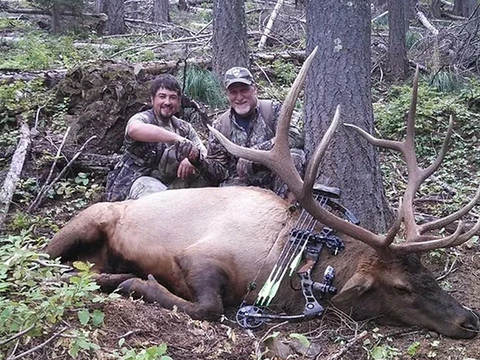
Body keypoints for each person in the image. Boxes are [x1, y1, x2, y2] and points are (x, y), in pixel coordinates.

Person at [186, 66, 305, 199]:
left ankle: (290, 210)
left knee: (295, 156)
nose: (239, 97)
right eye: (233, 92)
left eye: (244, 90)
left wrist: (251, 155)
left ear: (255, 89)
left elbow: (295, 137)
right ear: (227, 95)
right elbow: (218, 172)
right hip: (241, 188)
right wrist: (197, 160)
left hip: (273, 180)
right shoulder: (220, 126)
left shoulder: (274, 110)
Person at [105, 74, 208, 202]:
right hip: (138, 181)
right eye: (162, 96)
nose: (167, 102)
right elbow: (133, 130)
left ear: (179, 102)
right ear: (152, 99)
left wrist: (191, 159)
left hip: (171, 183)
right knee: (159, 200)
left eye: (173, 97)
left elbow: (203, 151)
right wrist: (175, 138)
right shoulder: (143, 118)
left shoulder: (184, 127)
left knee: (205, 183)